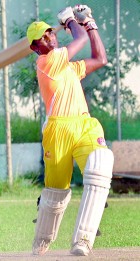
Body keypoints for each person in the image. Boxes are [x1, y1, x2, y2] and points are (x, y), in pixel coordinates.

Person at [26, 5, 114, 256]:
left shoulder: (69, 67)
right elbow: (81, 40)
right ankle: (42, 239)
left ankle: (83, 240)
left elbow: (100, 59)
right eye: (42, 38)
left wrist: (90, 25)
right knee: (56, 193)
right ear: (35, 48)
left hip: (84, 125)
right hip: (58, 130)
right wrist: (71, 21)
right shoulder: (47, 61)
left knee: (100, 167)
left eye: (50, 33)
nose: (49, 38)